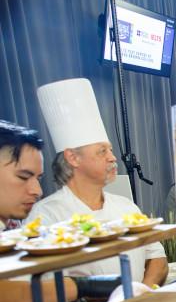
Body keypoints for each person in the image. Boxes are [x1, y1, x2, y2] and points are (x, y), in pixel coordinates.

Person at [28, 78, 167, 287]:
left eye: (110, 150)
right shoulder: (45, 215)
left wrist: (141, 295)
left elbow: (157, 258)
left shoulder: (126, 206)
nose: (113, 158)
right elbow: (50, 283)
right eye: (103, 151)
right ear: (73, 158)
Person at [0, 120, 128, 302]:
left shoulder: (8, 228)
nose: (36, 190)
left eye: (38, 179)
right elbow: (7, 300)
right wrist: (84, 286)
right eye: (23, 177)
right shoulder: (46, 213)